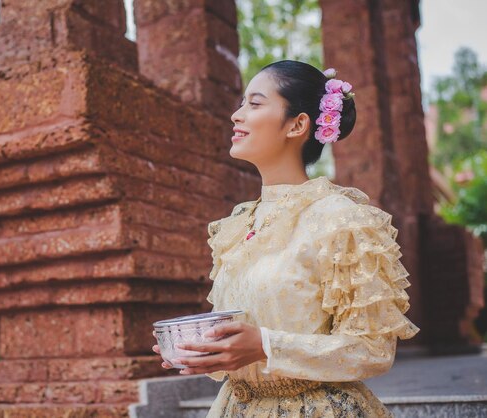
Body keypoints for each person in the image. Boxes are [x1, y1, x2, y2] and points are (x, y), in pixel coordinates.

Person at [151, 60, 420, 417]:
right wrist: (207, 353)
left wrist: (265, 345)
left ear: (297, 125)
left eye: (255, 103)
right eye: (241, 102)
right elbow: (241, 338)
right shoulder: (238, 226)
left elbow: (372, 349)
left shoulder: (341, 219)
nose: (237, 115)